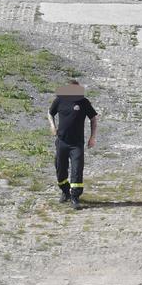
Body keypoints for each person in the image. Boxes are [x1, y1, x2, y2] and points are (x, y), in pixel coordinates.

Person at [48, 79, 98, 210]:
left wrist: (92, 137)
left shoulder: (84, 102)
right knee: (60, 168)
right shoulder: (59, 100)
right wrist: (52, 126)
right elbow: (50, 113)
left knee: (77, 170)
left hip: (77, 144)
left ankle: (75, 197)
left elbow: (93, 118)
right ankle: (65, 191)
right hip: (62, 142)